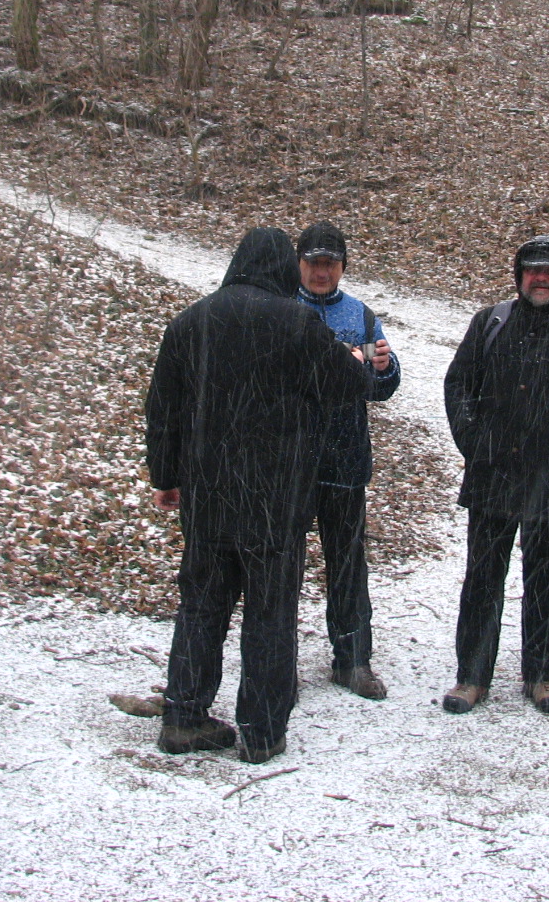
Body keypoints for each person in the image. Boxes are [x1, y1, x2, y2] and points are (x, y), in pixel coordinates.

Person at [146, 227, 370, 763]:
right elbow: (347, 386)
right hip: (275, 499)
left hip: (207, 497)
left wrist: (165, 477)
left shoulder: (191, 321)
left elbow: (163, 408)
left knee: (201, 606)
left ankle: (183, 717)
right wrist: (357, 362)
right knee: (270, 614)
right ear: (284, 269)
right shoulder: (297, 323)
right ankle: (262, 732)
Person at [440, 235, 549, 716]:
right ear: (519, 277)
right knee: (482, 580)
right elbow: (458, 385)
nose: (541, 279)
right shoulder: (490, 324)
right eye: (533, 270)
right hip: (491, 477)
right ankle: (472, 676)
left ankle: (540, 675)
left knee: (546, 583)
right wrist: (475, 444)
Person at [294, 221, 401, 701]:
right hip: (291, 462)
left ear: (342, 268)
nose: (322, 272)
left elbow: (382, 387)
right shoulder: (283, 307)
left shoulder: (360, 314)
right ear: (299, 264)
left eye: (330, 264)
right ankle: (278, 660)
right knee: (284, 566)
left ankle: (353, 660)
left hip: (346, 458)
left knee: (348, 564)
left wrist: (383, 367)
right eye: (314, 262)